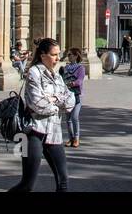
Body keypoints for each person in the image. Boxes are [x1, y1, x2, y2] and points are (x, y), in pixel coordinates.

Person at [9, 38, 74, 192]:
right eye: (54, 55)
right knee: (27, 184)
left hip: (54, 133)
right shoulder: (33, 73)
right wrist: (59, 105)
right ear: (43, 55)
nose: (58, 58)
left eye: (59, 54)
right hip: (31, 133)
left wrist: (54, 99)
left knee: (63, 179)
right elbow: (38, 105)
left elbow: (71, 99)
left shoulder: (57, 75)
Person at [61, 47, 86, 147]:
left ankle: (76, 138)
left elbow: (80, 81)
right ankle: (70, 138)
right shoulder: (66, 67)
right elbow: (62, 79)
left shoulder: (81, 68)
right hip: (67, 96)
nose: (69, 56)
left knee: (74, 117)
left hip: (76, 95)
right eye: (68, 55)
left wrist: (71, 83)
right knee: (68, 119)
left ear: (76, 56)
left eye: (70, 55)